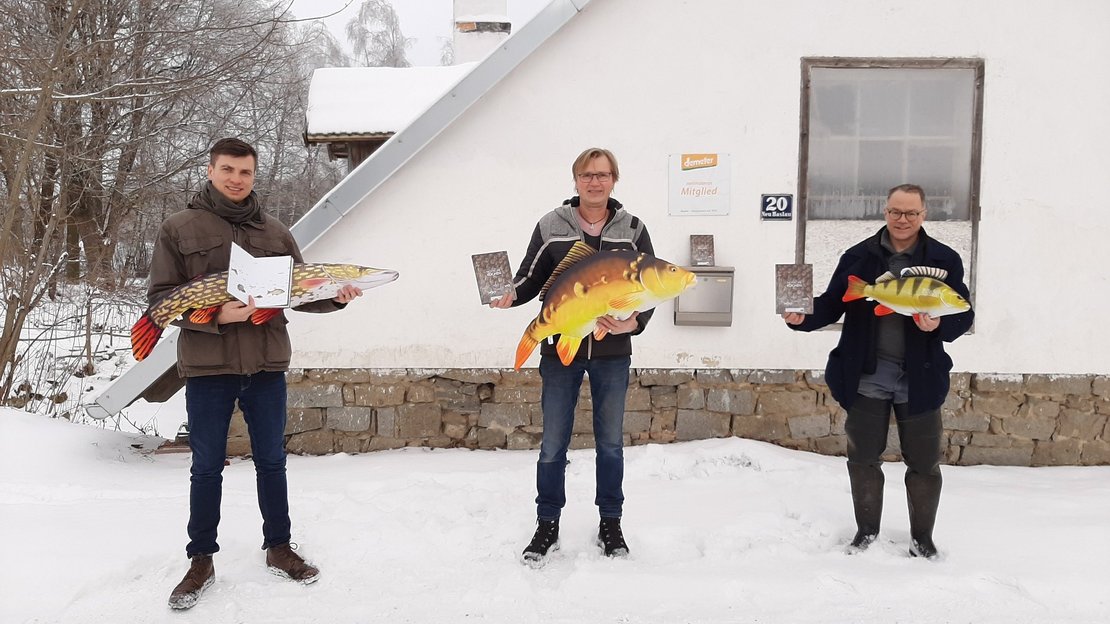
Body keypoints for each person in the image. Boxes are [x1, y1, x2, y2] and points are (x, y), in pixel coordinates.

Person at [150, 138, 363, 610]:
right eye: (227, 170)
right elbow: (162, 300)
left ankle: (279, 547)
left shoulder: (275, 232)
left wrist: (335, 297)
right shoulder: (178, 228)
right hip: (208, 367)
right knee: (207, 467)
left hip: (266, 364)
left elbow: (300, 292)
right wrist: (217, 316)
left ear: (253, 175)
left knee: (272, 462)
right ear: (211, 171)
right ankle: (201, 559)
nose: (236, 179)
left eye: (244, 172)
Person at [783, 183, 973, 559]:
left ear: (924, 215)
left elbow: (962, 312)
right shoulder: (858, 256)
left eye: (911, 213)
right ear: (885, 212)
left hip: (920, 378)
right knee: (863, 458)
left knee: (924, 462)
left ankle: (922, 539)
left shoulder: (944, 258)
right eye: (895, 212)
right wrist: (802, 317)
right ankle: (866, 533)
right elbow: (832, 303)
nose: (902, 220)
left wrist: (939, 325)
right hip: (867, 376)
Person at [490, 147, 654, 565]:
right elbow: (530, 279)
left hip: (612, 353)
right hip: (560, 349)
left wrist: (634, 323)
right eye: (587, 174)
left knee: (611, 444)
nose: (594, 182)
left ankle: (611, 524)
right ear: (576, 179)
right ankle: (547, 524)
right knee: (552, 444)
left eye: (602, 174)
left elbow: (649, 287)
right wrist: (508, 294)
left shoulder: (633, 229)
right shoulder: (552, 225)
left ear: (614, 180)